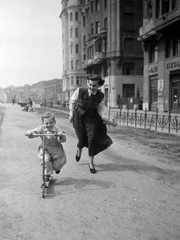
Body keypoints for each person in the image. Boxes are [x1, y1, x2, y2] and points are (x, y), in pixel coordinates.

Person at [69, 74, 113, 174]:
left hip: (92, 117)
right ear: (87, 83)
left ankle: (91, 163)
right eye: (90, 85)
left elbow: (101, 108)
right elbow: (72, 102)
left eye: (94, 86)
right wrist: (71, 114)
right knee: (81, 137)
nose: (92, 87)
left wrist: (104, 118)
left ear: (99, 86)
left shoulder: (100, 95)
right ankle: (79, 149)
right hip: (79, 115)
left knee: (92, 138)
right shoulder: (80, 90)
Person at [26, 112, 67, 181]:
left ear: (54, 122)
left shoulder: (57, 129)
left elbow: (63, 138)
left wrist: (61, 135)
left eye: (51, 123)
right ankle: (46, 175)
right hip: (45, 148)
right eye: (46, 123)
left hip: (56, 149)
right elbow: (35, 131)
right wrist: (30, 133)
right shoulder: (41, 128)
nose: (49, 125)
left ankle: (56, 169)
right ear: (43, 123)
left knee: (57, 165)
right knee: (45, 160)